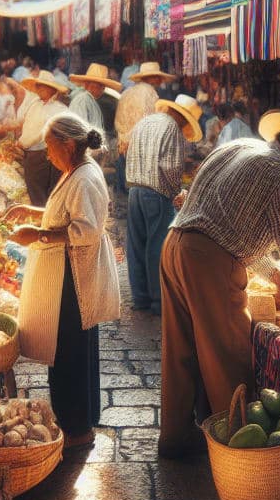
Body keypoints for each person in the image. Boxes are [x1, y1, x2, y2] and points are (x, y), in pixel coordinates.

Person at [158, 110, 280, 458]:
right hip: (208, 260)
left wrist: (275, 275)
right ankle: (239, 452)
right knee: (228, 356)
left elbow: (232, 224)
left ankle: (176, 438)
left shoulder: (238, 149)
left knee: (181, 352)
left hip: (176, 246)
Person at [7, 113, 121, 445]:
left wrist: (38, 235)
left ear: (68, 145)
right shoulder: (74, 172)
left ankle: (78, 429)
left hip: (75, 278)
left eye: (50, 146)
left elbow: (84, 230)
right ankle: (78, 420)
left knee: (70, 352)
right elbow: (65, 213)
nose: (46, 153)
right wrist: (31, 213)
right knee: (71, 350)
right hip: (67, 274)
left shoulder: (85, 177)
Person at [126, 94, 202, 315]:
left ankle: (140, 298)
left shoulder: (145, 122)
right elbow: (169, 167)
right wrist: (175, 192)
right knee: (157, 248)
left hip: (135, 189)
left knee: (137, 246)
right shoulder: (172, 129)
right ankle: (159, 302)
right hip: (157, 193)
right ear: (184, 119)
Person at [114, 62, 170, 192]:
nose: (160, 80)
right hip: (140, 148)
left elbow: (119, 120)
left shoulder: (127, 92)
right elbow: (149, 123)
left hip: (123, 145)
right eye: (157, 77)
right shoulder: (151, 94)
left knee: (126, 192)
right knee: (139, 190)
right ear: (153, 78)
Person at [18, 72, 68, 206]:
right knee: (34, 188)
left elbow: (43, 132)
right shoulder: (35, 105)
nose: (39, 89)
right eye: (38, 86)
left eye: (42, 87)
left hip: (43, 154)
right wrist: (22, 141)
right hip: (30, 153)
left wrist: (24, 142)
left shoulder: (59, 109)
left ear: (52, 90)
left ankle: (43, 219)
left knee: (42, 191)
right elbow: (28, 126)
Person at [68, 62, 121, 131]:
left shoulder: (91, 100)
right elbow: (80, 130)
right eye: (100, 85)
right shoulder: (82, 100)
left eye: (103, 86)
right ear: (87, 85)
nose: (103, 89)